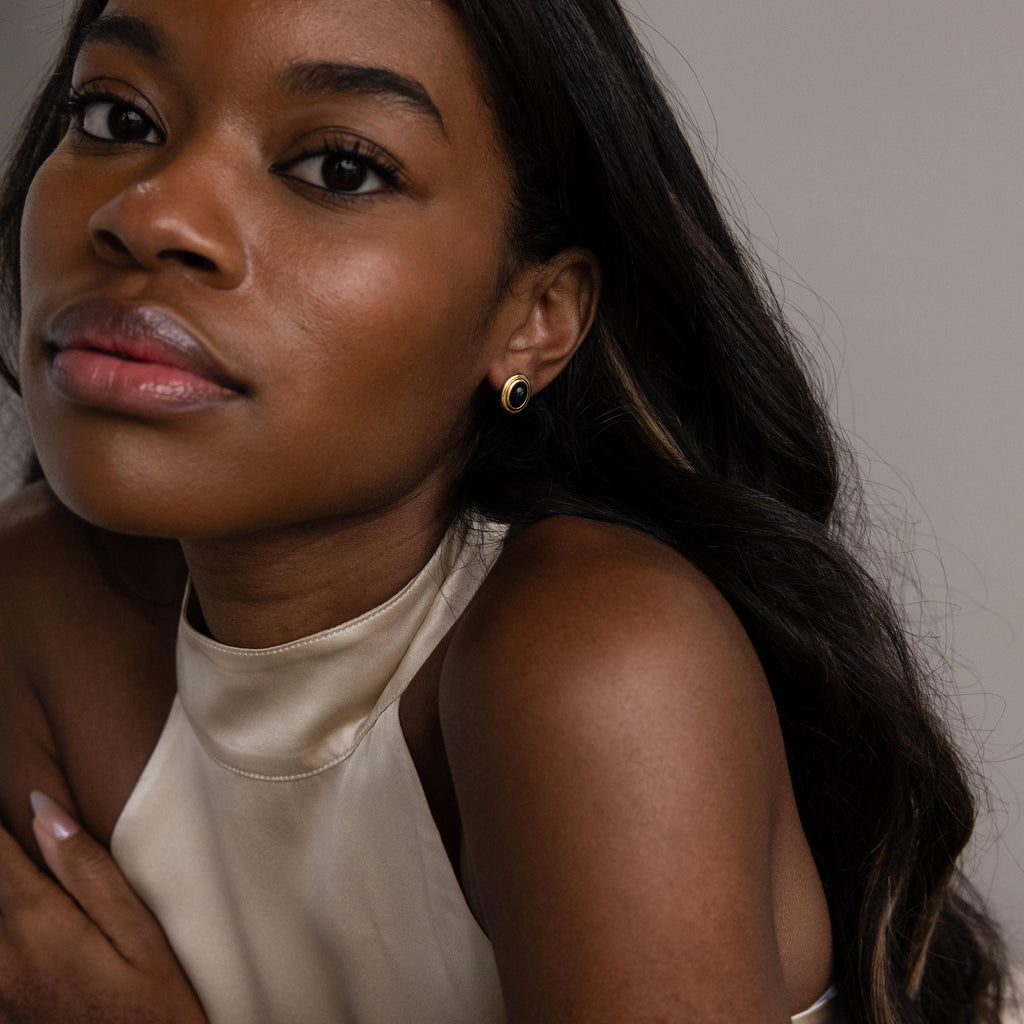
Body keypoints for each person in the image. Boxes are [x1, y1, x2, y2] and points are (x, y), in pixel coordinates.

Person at [0, 0, 1012, 1020]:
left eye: (339, 168)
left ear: (534, 321)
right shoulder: (38, 610)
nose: (149, 213)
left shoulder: (591, 661)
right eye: (116, 118)